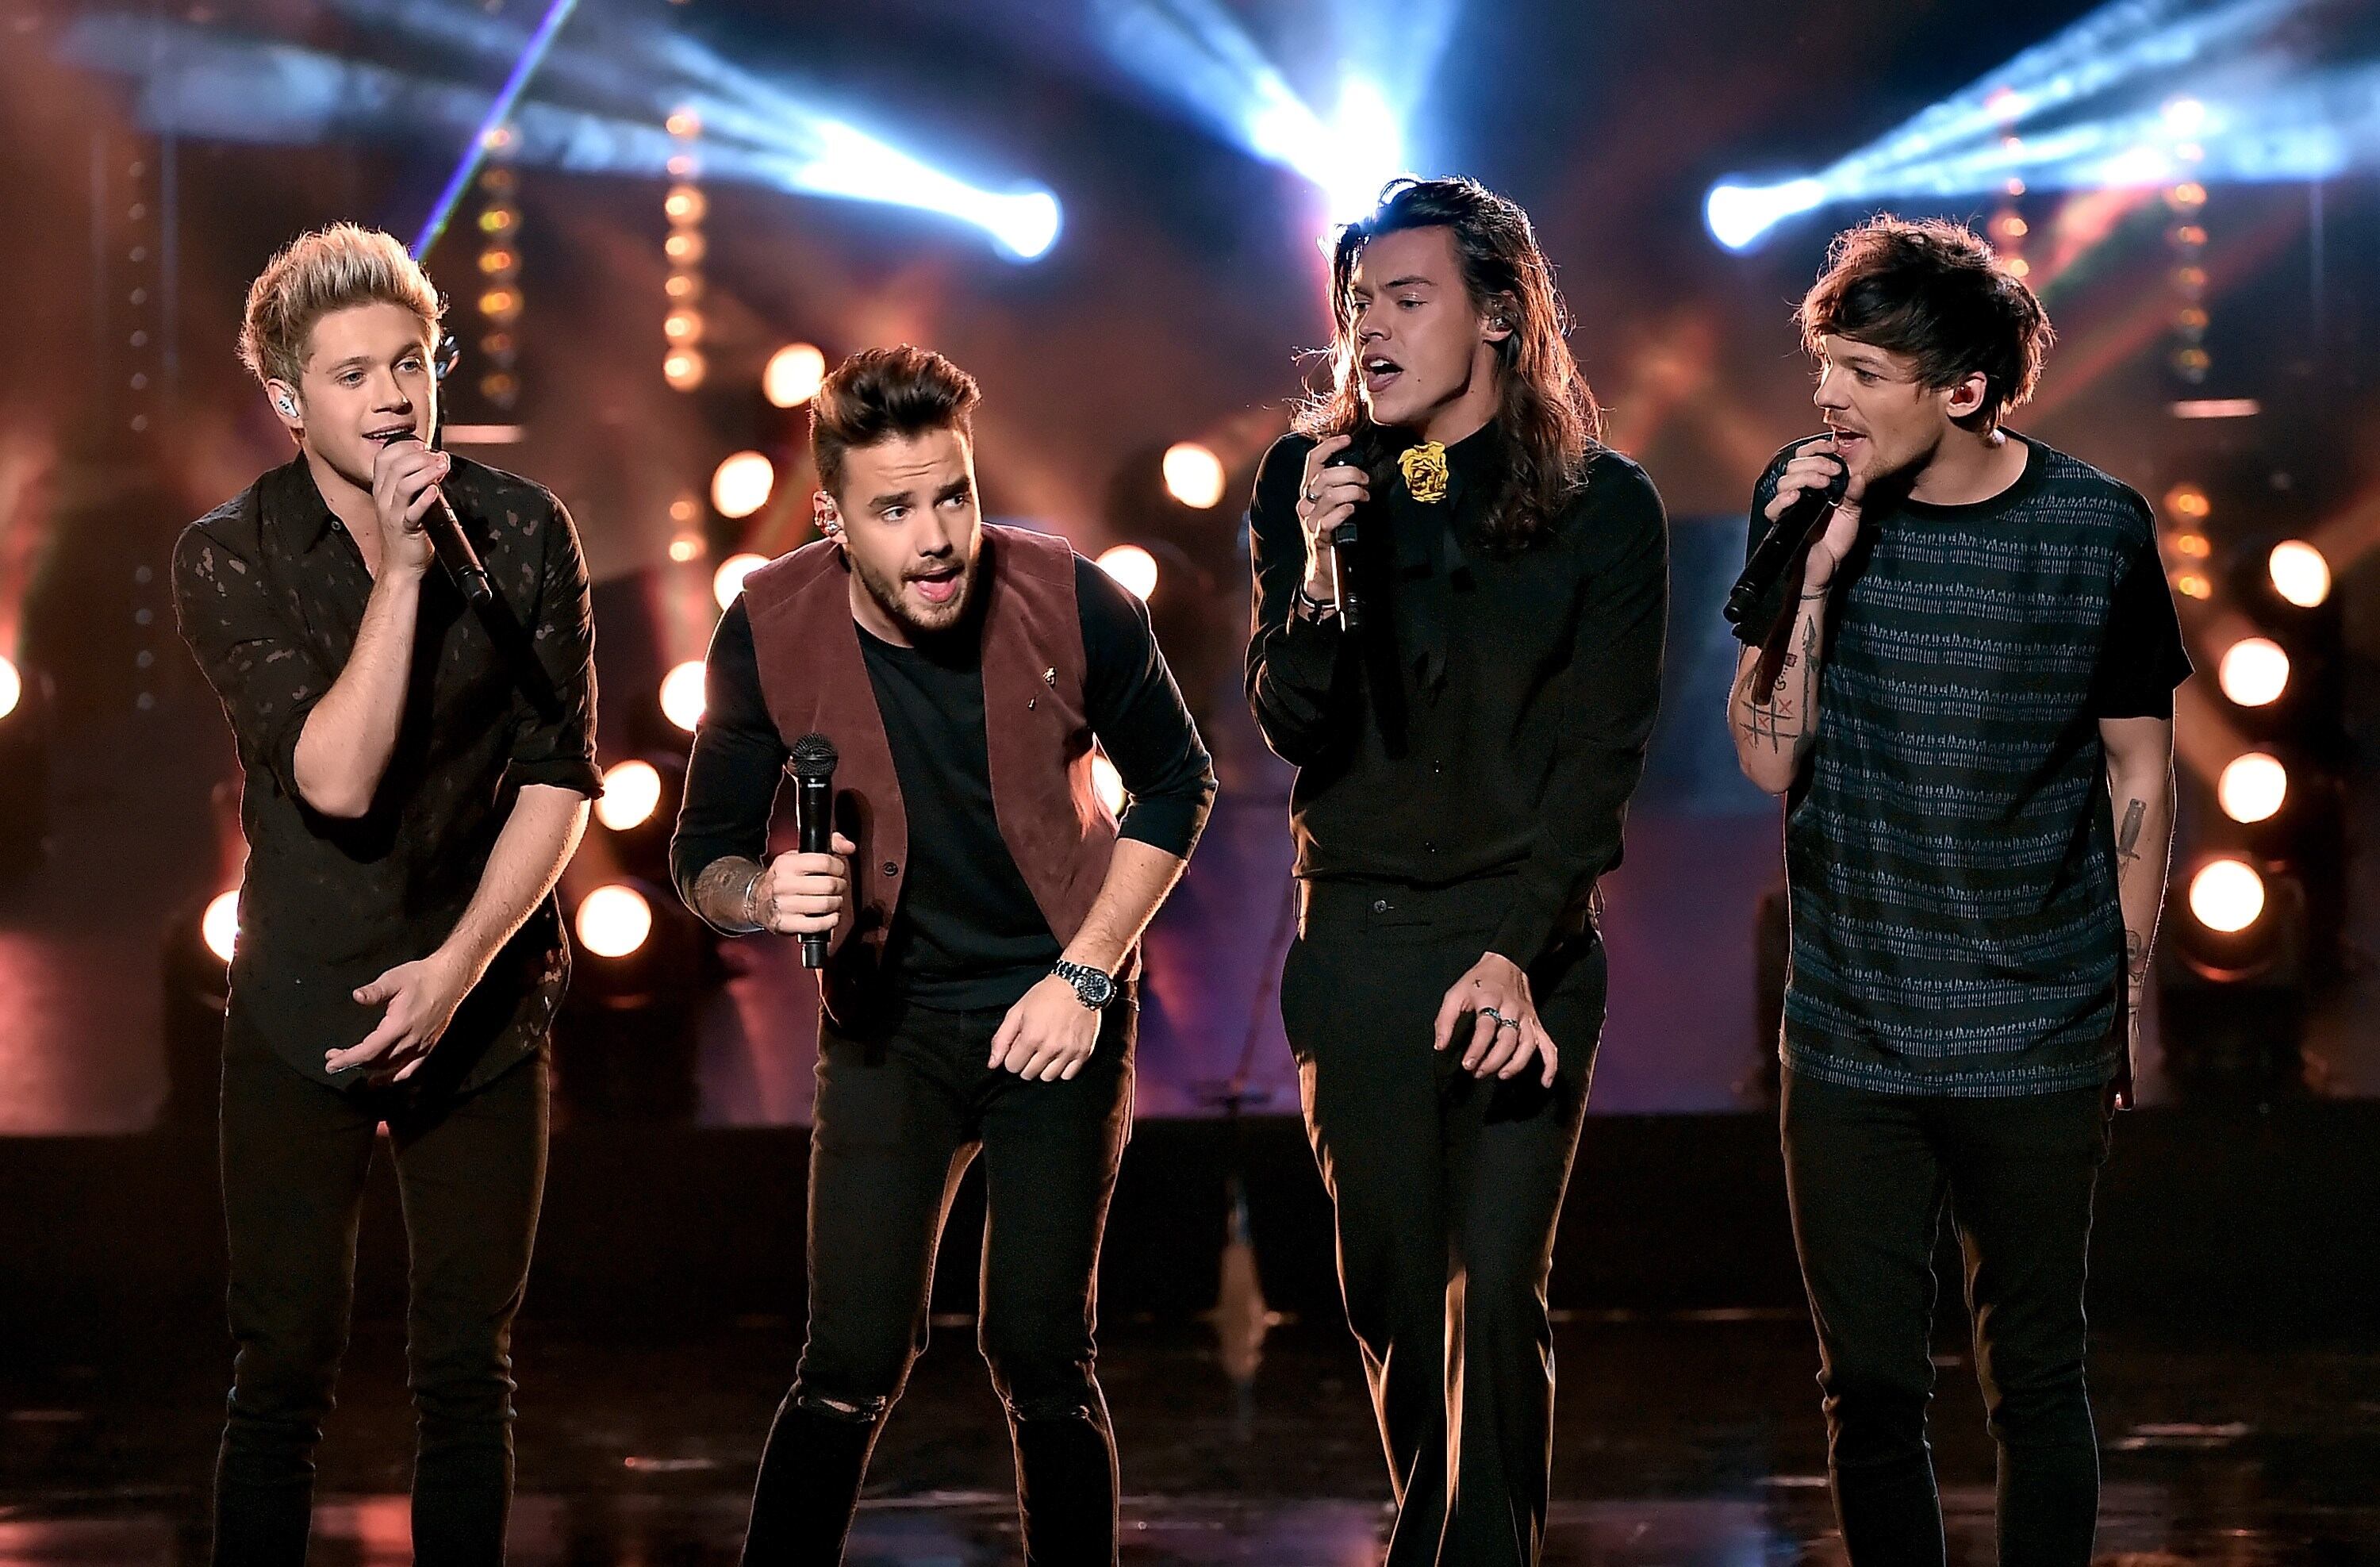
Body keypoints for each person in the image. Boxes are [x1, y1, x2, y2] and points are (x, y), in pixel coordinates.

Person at [670, 345, 1216, 1565]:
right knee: (849, 1362)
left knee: (1043, 1356)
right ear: (832, 517)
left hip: (1055, 1004)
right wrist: (765, 893)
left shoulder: (1074, 598)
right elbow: (703, 855)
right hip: (889, 1024)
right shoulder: (767, 626)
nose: (935, 538)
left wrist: (1087, 974)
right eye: (895, 509)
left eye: (953, 496)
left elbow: (1180, 783)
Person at [1725, 216, 2192, 1566]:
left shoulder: (2093, 528)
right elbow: (1765, 759)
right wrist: (1812, 578)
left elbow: (2138, 769)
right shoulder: (1805, 506)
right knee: (1869, 1388)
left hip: (2037, 1028)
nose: (1830, 396)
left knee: (2035, 1378)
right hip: (1851, 1032)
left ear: (1966, 389)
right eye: (1826, 365)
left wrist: (2121, 995)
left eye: (1864, 373)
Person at [1245, 175, 1669, 1566]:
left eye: (1407, 298)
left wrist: (1517, 949)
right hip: (1360, 944)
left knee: (1493, 1297)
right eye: (1358, 301)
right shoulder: (1308, 483)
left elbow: (1599, 763)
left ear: (1498, 315)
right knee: (1394, 1300)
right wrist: (1320, 567)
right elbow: (1292, 720)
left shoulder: (1604, 507)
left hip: (1522, 943)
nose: (1370, 326)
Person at [172, 223, 597, 1565]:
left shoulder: (523, 530)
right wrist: (406, 577)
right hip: (303, 987)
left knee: (468, 1371)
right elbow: (339, 780)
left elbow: (560, 777)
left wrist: (459, 970)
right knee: (281, 1371)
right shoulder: (230, 554)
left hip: (481, 992)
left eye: (410, 363)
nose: (394, 398)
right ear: (289, 399)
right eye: (353, 374)